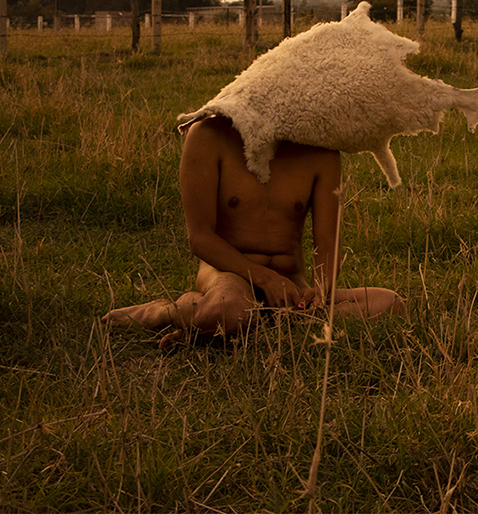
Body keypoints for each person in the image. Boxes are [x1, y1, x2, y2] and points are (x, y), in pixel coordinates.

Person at [103, 115, 405, 349]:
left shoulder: (321, 152)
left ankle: (255, 326)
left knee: (389, 303)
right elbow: (200, 238)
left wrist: (320, 288)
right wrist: (262, 277)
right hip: (228, 274)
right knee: (226, 310)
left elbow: (328, 240)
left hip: (291, 287)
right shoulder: (210, 135)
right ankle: (165, 312)